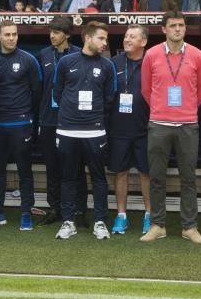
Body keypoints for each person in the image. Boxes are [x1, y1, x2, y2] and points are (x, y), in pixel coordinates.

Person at [140, 11, 201, 244]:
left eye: (181, 25)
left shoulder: (198, 56)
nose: (177, 29)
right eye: (172, 25)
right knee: (157, 177)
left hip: (188, 125)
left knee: (188, 178)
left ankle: (189, 227)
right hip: (159, 124)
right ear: (164, 29)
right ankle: (158, 225)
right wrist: (162, 109)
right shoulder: (151, 55)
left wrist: (185, 109)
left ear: (185, 29)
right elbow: (146, 90)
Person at [52, 21, 117, 240]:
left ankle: (100, 221)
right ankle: (68, 221)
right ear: (87, 38)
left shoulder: (107, 66)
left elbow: (109, 98)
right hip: (68, 130)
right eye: (101, 38)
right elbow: (57, 92)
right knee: (68, 178)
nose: (104, 43)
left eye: (105, 39)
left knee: (99, 178)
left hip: (95, 131)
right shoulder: (66, 62)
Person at [0, 20, 42, 231]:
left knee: (24, 170)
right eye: (7, 34)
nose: (12, 38)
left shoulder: (29, 60)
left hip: (21, 123)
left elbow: (37, 91)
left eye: (14, 34)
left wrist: (28, 116)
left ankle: (25, 212)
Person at [36, 16, 82, 227]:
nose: (52, 35)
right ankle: (55, 207)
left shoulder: (79, 54)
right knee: (52, 167)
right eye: (51, 31)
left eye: (57, 32)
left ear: (67, 34)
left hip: (72, 122)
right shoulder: (43, 55)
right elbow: (37, 88)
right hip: (48, 121)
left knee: (75, 167)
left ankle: (78, 209)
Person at [109, 25, 152, 235]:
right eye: (126, 36)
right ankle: (121, 216)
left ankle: (149, 215)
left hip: (146, 128)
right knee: (121, 172)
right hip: (119, 128)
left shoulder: (152, 63)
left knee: (147, 173)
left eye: (132, 37)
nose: (127, 39)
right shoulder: (114, 63)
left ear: (143, 42)